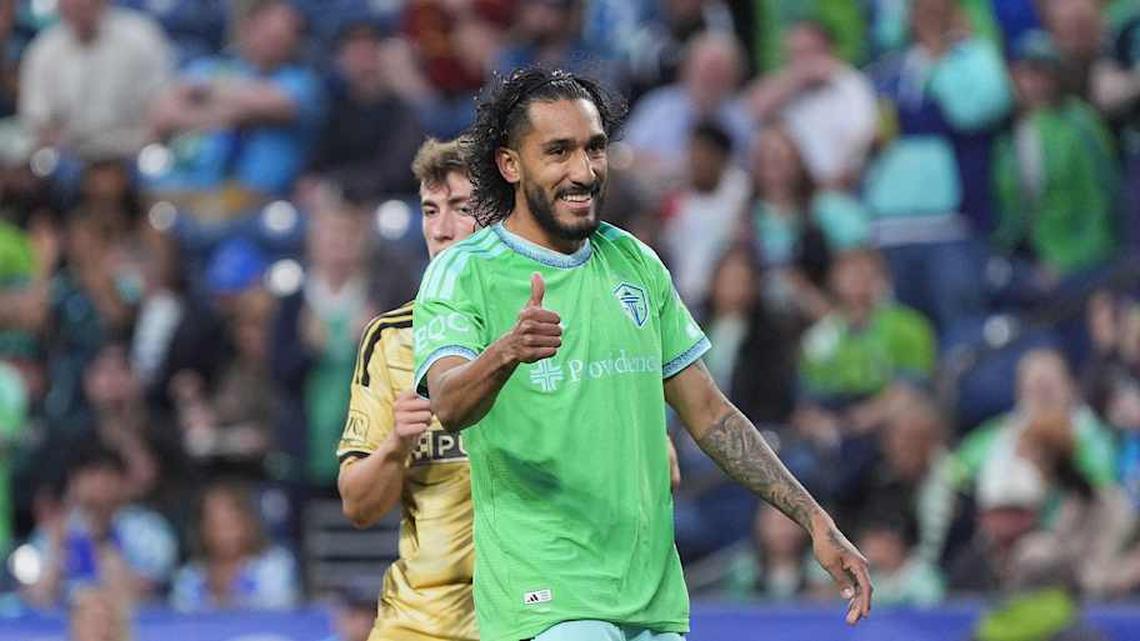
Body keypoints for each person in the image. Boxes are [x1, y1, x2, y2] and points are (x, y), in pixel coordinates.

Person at [413, 67, 871, 641]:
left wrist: (813, 517)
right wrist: (506, 352)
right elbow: (448, 404)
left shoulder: (635, 263)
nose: (583, 171)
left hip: (652, 599)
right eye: (558, 152)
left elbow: (711, 415)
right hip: (549, 598)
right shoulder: (462, 272)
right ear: (511, 165)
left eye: (595, 148)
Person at [335, 138, 479, 641]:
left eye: (462, 209)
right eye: (430, 210)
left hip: (530, 614)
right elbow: (358, 505)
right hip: (421, 622)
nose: (440, 231)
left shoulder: (546, 332)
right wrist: (396, 445)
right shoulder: (391, 340)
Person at [169, 481, 299, 611]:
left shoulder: (273, 566)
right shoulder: (189, 577)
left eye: (231, 523)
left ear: (249, 523)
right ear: (201, 528)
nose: (223, 534)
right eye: (214, 524)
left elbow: (279, 615)